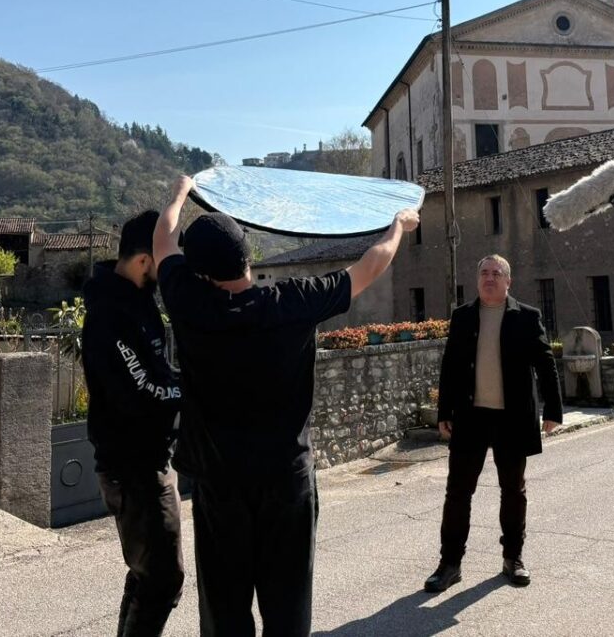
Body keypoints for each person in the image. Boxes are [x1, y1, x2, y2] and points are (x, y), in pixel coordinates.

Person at [152, 175, 419, 637]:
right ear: (247, 256)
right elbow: (370, 265)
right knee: (288, 607)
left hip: (221, 485)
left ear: (201, 273)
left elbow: (163, 240)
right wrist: (397, 225)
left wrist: (179, 192)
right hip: (286, 482)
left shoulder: (189, 303)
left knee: (224, 609)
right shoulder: (295, 301)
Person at [424, 254, 563, 593]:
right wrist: (444, 412)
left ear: (508, 281)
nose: (489, 278)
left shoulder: (527, 317)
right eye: (484, 273)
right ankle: (450, 564)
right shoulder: (462, 317)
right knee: (458, 493)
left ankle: (513, 558)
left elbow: (545, 364)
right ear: (477, 280)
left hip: (511, 418)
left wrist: (553, 410)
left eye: (496, 273)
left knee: (513, 492)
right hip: (470, 417)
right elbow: (450, 366)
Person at [81, 210, 185, 637]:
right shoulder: (110, 314)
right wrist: (192, 392)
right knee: (163, 580)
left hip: (146, 462)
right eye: (166, 259)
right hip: (134, 469)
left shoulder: (138, 299)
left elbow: (157, 371)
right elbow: (141, 390)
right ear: (144, 259)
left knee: (148, 576)